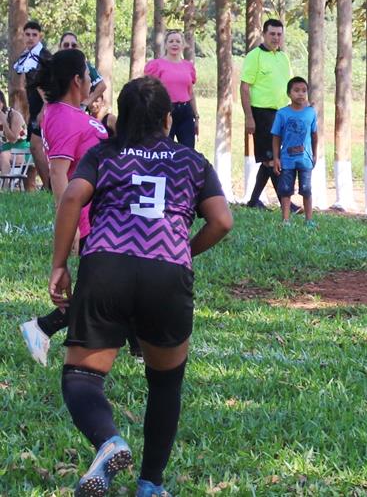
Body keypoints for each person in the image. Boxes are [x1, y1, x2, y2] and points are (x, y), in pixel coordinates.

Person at [48, 76, 232, 496]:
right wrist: (184, 250)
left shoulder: (103, 153)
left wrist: (60, 264)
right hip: (167, 273)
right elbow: (222, 221)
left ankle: (109, 441)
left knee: (81, 376)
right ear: (169, 119)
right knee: (165, 383)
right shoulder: (192, 161)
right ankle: (151, 485)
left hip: (105, 264)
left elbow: (74, 195)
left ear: (121, 118)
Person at [19, 49, 141, 366]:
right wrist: (69, 224)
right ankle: (139, 347)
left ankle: (44, 329)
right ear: (77, 80)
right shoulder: (62, 117)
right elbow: (60, 173)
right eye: (88, 75)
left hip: (109, 217)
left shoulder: (73, 113)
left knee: (107, 289)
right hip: (92, 219)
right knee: (106, 291)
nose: (91, 81)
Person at [240, 19, 299, 212]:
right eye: (272, 34)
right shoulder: (254, 56)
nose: (276, 38)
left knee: (271, 160)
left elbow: (290, 87)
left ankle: (254, 201)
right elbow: (245, 87)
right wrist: (249, 117)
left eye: (279, 34)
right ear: (264, 34)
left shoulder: (283, 58)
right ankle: (286, 203)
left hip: (282, 113)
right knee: (272, 160)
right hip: (262, 113)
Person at [273, 77, 318, 226]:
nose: (300, 94)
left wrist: (314, 154)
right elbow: (276, 137)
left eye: (304, 91)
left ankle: (309, 220)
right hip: (286, 159)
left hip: (305, 159)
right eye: (296, 90)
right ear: (289, 93)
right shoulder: (282, 114)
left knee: (306, 189)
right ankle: (286, 220)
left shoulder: (311, 113)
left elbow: (314, 135)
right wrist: (276, 158)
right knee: (285, 190)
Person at [143, 30, 199, 148]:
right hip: (164, 112)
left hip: (185, 112)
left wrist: (196, 116)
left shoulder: (188, 66)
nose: (175, 44)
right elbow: (149, 91)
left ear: (183, 45)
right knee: (164, 149)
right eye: (171, 41)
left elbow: (191, 93)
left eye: (178, 41)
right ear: (166, 45)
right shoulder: (156, 65)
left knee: (188, 150)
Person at [12, 20, 51, 189]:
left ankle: (50, 186)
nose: (30, 38)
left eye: (34, 35)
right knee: (35, 148)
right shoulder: (27, 55)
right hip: (35, 109)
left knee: (38, 147)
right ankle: (46, 186)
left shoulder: (43, 56)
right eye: (27, 34)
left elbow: (46, 85)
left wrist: (45, 108)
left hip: (44, 109)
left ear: (40, 36)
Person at [58, 31, 107, 112]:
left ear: (77, 48)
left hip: (76, 113)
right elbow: (40, 84)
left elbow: (102, 85)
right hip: (57, 112)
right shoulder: (52, 64)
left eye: (73, 45)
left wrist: (86, 103)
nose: (70, 48)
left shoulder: (84, 65)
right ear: (60, 47)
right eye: (66, 45)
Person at [0, 89, 29, 177]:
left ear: (2, 102)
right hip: (5, 149)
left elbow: (13, 139)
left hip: (21, 151)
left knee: (4, 155)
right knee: (3, 154)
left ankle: (6, 187)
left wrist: (4, 122)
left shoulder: (14, 115)